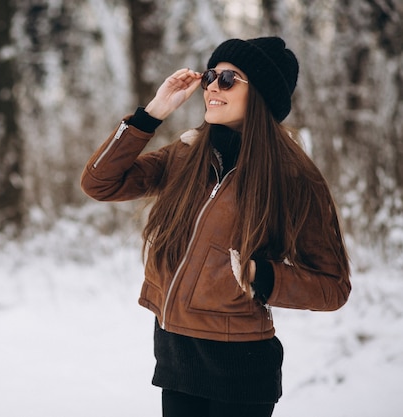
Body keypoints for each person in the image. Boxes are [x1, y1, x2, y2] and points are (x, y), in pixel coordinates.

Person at [80, 37, 351, 417]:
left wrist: (264, 278)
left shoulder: (292, 176)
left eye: (227, 78)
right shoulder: (187, 154)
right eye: (210, 75)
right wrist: (153, 113)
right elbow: (100, 183)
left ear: (260, 95)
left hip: (241, 365)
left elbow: (333, 286)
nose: (211, 86)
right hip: (176, 354)